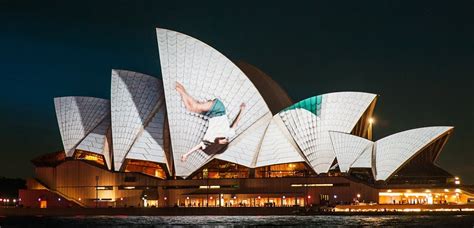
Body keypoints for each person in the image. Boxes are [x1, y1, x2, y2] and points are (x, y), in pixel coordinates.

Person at [176, 82, 245, 162]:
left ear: (218, 145)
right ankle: (180, 89)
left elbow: (197, 147)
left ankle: (181, 89)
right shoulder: (228, 134)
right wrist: (242, 110)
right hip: (219, 110)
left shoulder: (209, 141)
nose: (226, 140)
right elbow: (236, 123)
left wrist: (186, 155)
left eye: (224, 143)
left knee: (190, 108)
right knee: (195, 106)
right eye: (226, 141)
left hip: (210, 115)